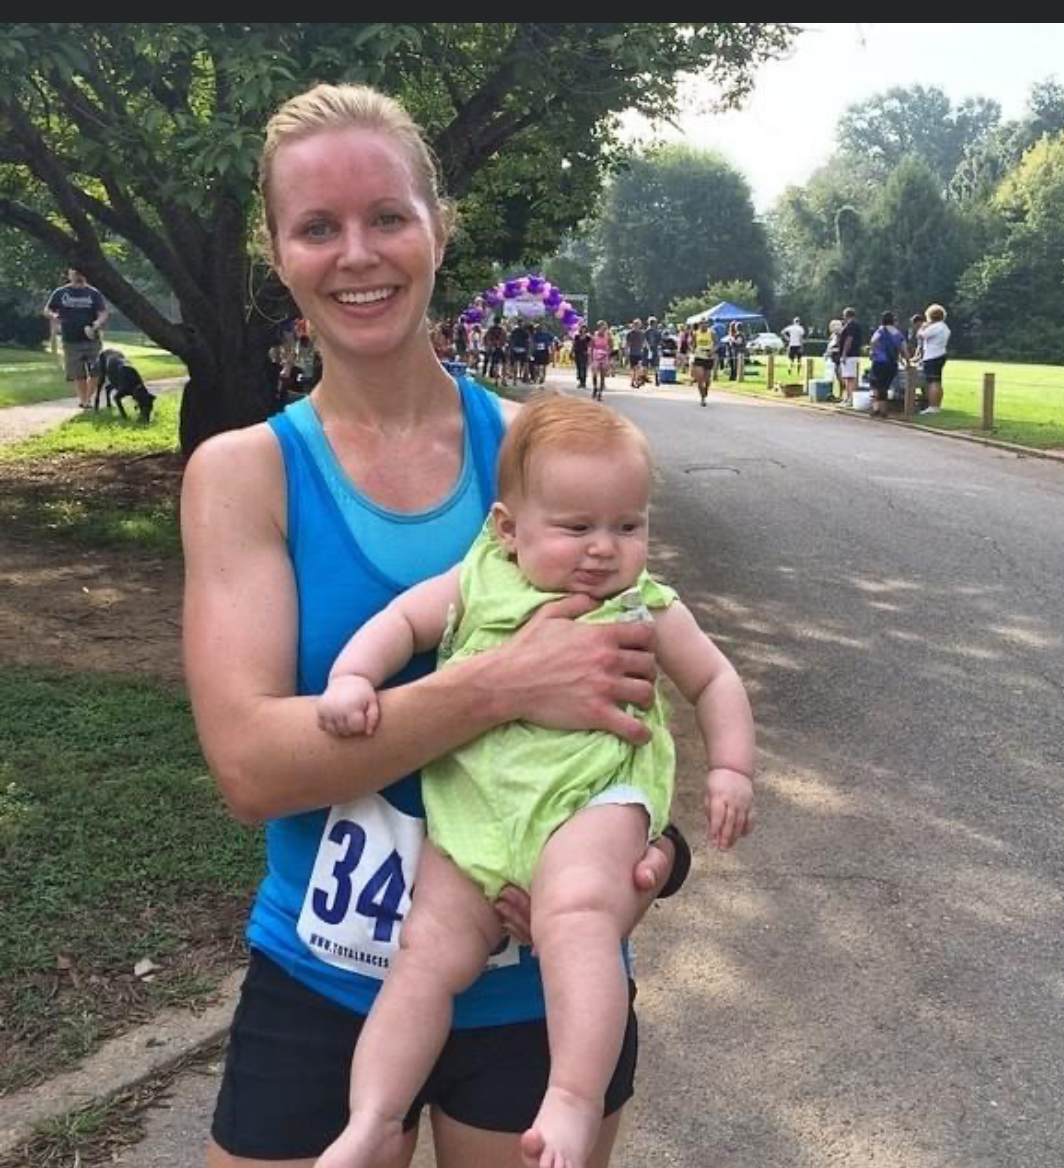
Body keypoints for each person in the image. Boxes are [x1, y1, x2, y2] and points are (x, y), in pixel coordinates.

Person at [181, 82, 684, 1168]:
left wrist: (658, 857)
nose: (357, 253)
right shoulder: (246, 473)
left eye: (388, 217)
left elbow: (639, 687)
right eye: (318, 226)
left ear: (438, 229)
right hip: (323, 971)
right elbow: (253, 768)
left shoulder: (546, 455)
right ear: (278, 252)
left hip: (532, 990)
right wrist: (502, 684)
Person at [315, 393, 755, 1168]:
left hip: (591, 801)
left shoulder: (645, 603)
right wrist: (354, 678)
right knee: (425, 952)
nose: (603, 549)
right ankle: (372, 1118)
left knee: (579, 916)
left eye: (628, 525)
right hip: (476, 815)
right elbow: (403, 624)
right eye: (576, 527)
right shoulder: (480, 580)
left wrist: (730, 768)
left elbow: (714, 679)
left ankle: (571, 1099)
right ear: (506, 528)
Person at [43, 266, 110, 408]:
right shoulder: (60, 292)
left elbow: (103, 312)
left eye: (81, 273)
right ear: (69, 274)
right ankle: (85, 402)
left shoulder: (93, 293)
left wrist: (96, 324)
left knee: (96, 371)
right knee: (78, 373)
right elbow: (47, 309)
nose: (78, 276)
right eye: (75, 273)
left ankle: (87, 398)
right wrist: (54, 316)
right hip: (71, 339)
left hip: (92, 339)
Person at [866, 311, 910, 419]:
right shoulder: (898, 334)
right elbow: (904, 350)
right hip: (891, 363)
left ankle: (877, 409)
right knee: (885, 386)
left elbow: (873, 342)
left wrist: (872, 352)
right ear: (894, 321)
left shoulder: (880, 330)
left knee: (876, 384)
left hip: (879, 362)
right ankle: (883, 410)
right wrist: (908, 362)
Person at [918, 304, 951, 415]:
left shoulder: (935, 327)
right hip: (941, 354)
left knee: (932, 382)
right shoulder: (944, 327)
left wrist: (922, 327)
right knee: (937, 381)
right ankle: (937, 405)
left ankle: (933, 406)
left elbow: (921, 335)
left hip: (932, 356)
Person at [837, 307, 863, 407]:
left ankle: (850, 399)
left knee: (850, 378)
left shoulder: (851, 325)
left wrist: (844, 353)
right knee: (848, 377)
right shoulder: (853, 325)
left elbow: (849, 339)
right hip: (851, 354)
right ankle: (848, 398)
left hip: (850, 355)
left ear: (846, 315)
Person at [691, 320, 715, 406]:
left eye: (705, 324)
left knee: (707, 380)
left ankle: (706, 390)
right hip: (699, 357)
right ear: (699, 325)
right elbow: (692, 345)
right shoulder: (695, 334)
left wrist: (712, 351)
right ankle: (702, 398)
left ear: (707, 325)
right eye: (702, 324)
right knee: (700, 379)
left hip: (708, 357)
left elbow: (717, 344)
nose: (704, 325)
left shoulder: (711, 333)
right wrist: (693, 350)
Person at [589, 321, 612, 401]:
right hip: (596, 356)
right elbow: (591, 346)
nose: (604, 329)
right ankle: (595, 387)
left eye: (605, 328)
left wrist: (608, 353)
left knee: (602, 375)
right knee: (595, 374)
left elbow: (611, 345)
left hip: (604, 356)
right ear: (599, 328)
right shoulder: (595, 336)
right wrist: (591, 358)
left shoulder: (607, 336)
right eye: (603, 327)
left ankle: (600, 393)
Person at [624, 318, 647, 388]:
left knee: (638, 367)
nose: (637, 326)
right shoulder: (630, 334)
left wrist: (647, 349)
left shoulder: (642, 334)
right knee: (633, 369)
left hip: (639, 353)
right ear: (633, 325)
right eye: (636, 325)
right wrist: (626, 352)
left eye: (638, 325)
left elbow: (644, 343)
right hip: (632, 353)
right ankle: (632, 381)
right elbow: (627, 344)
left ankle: (636, 381)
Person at [571, 323, 591, 390]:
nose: (583, 330)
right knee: (579, 367)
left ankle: (584, 382)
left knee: (584, 367)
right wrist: (572, 352)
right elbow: (574, 344)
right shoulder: (577, 336)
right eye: (582, 328)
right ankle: (580, 380)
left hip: (584, 353)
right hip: (577, 353)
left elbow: (590, 345)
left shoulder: (588, 337)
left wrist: (589, 351)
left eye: (584, 328)